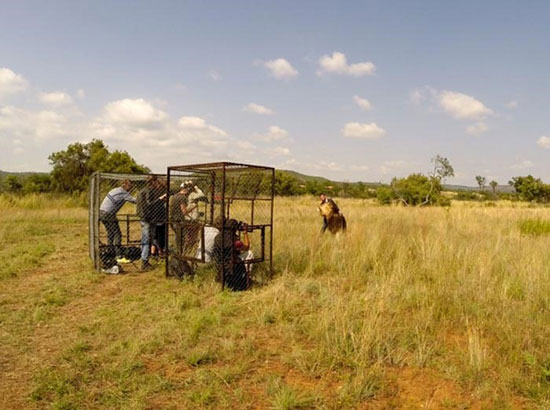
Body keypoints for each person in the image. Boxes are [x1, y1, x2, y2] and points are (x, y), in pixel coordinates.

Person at [99, 180, 136, 263]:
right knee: (117, 233)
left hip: (102, 212)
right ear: (125, 186)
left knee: (110, 233)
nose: (131, 188)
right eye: (130, 186)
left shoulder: (115, 190)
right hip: (109, 214)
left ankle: (110, 251)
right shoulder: (123, 193)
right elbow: (134, 200)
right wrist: (142, 200)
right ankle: (118, 255)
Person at [137, 176, 166, 271]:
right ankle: (144, 261)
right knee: (146, 239)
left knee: (145, 238)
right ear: (152, 182)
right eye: (156, 182)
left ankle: (145, 258)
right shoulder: (149, 191)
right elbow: (149, 204)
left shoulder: (141, 191)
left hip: (142, 217)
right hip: (147, 218)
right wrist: (160, 199)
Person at [169, 181, 192, 255]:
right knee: (183, 237)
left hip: (173, 220)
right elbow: (184, 211)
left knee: (177, 237)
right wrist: (193, 207)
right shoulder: (183, 197)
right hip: (179, 220)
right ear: (186, 189)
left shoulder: (174, 196)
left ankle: (179, 251)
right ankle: (181, 253)